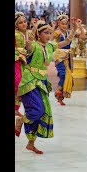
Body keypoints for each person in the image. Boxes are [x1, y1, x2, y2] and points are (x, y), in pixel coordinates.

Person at [15, 21, 56, 154]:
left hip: (42, 83)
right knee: (37, 110)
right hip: (30, 82)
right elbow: (28, 43)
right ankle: (20, 120)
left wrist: (74, 30)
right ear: (39, 34)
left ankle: (31, 143)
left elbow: (65, 42)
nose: (48, 35)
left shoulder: (49, 47)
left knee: (42, 113)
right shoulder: (33, 46)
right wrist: (34, 27)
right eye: (46, 33)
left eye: (50, 33)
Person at [15, 12, 35, 117]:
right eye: (20, 23)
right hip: (16, 59)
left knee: (23, 84)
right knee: (18, 82)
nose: (24, 24)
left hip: (26, 60)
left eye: (25, 21)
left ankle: (16, 108)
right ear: (16, 25)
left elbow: (31, 45)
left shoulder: (28, 33)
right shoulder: (15, 34)